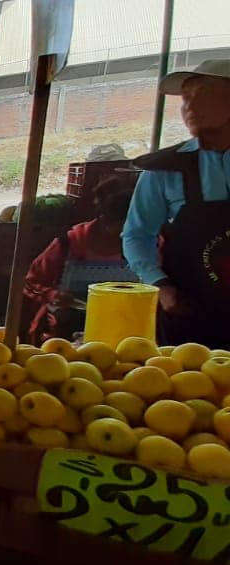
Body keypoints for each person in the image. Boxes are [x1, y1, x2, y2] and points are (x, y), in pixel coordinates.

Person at [124, 59, 230, 348]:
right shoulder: (165, 169)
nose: (189, 107)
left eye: (202, 94)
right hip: (189, 314)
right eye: (185, 99)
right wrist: (161, 287)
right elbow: (136, 234)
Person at [26, 180, 138, 344]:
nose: (132, 231)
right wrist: (53, 295)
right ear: (104, 218)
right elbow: (32, 280)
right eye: (124, 226)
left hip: (126, 331)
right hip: (67, 333)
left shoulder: (149, 244)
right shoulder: (69, 243)